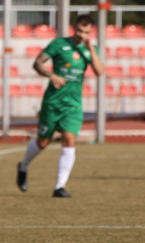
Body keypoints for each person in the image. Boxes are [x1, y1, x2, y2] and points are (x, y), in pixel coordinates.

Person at [17, 14, 103, 197]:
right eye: (79, 30)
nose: (82, 34)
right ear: (74, 28)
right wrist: (51, 76)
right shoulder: (58, 44)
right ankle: (23, 166)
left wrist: (91, 50)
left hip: (73, 104)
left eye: (86, 32)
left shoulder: (90, 50)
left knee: (69, 140)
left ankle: (59, 186)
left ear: (91, 32)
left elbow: (100, 71)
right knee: (43, 142)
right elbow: (37, 63)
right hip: (53, 101)